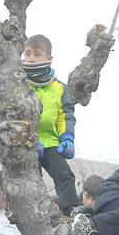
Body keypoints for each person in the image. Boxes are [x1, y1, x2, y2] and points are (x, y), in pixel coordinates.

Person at [21, 34, 80, 212]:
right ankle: (34, 212)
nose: (31, 58)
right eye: (27, 53)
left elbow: (64, 115)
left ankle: (73, 211)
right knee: (33, 180)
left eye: (37, 54)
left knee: (64, 175)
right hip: (27, 143)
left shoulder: (60, 88)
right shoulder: (19, 85)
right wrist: (28, 137)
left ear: (49, 58)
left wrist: (67, 138)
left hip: (52, 141)